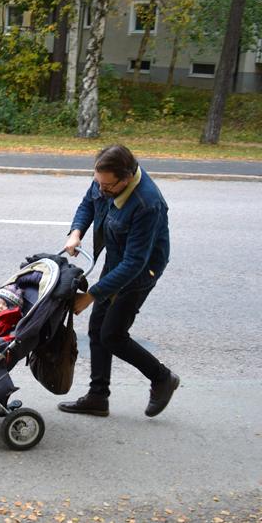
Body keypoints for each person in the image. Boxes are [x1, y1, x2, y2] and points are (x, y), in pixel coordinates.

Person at [58, 144, 178, 418]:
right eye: (98, 182)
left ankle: (162, 378)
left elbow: (134, 263)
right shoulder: (106, 177)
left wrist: (91, 295)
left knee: (112, 334)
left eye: (107, 186)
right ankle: (98, 397)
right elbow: (88, 203)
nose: (101, 189)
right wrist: (75, 232)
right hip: (118, 261)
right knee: (97, 329)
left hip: (140, 271)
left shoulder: (147, 204)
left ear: (125, 179)